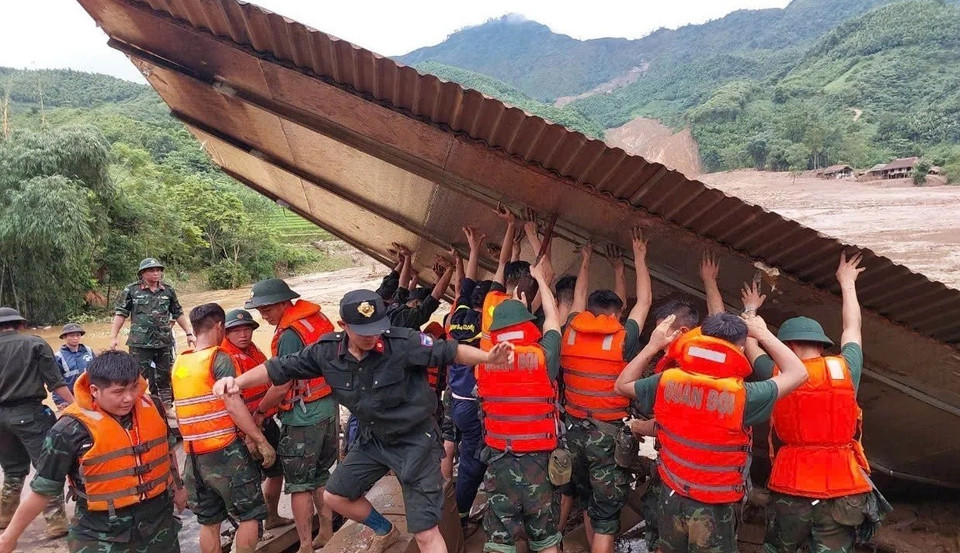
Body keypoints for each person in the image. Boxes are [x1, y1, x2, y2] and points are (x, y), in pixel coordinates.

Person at [212, 289, 514, 553]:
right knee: (335, 495)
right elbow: (278, 369)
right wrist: (237, 383)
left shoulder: (402, 342)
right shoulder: (326, 351)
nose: (372, 336)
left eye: (377, 328)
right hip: (375, 439)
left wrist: (488, 358)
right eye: (363, 330)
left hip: (414, 441)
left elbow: (451, 351)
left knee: (425, 532)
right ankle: (384, 529)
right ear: (344, 326)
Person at [615, 312, 808, 553]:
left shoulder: (667, 380)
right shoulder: (745, 396)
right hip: (714, 506)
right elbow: (799, 373)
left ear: (702, 338)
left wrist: (653, 346)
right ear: (739, 347)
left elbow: (621, 385)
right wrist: (762, 333)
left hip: (671, 496)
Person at [751, 253, 881, 553]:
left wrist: (752, 313)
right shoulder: (846, 369)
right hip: (843, 490)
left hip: (792, 488)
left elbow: (751, 346)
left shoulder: (777, 374)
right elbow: (852, 328)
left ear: (789, 346)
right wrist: (847, 283)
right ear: (821, 345)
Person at [0, 350, 186, 553]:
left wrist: (178, 488)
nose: (129, 397)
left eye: (134, 388)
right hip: (102, 535)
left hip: (158, 525)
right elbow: (43, 490)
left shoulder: (153, 407)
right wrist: (9, 536)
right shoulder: (69, 429)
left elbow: (166, 451)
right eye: (118, 391)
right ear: (95, 390)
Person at [560, 228, 651, 553]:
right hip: (607, 439)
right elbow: (645, 301)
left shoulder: (570, 331)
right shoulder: (623, 339)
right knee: (607, 518)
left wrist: (585, 260)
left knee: (587, 503)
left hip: (573, 435)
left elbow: (580, 296)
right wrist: (639, 255)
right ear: (615, 315)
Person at [243, 278, 338, 552]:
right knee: (320, 474)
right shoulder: (314, 319)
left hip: (303, 415)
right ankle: (327, 532)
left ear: (285, 302)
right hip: (328, 407)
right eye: (259, 309)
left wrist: (260, 412)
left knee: (298, 484)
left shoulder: (289, 335)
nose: (263, 314)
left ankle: (306, 545)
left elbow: (281, 384)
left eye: (268, 308)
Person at [172, 303, 275, 553]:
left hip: (193, 458)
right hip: (225, 453)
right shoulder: (219, 358)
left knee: (209, 522)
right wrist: (259, 439)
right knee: (249, 515)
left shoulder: (180, 364)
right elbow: (233, 404)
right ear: (220, 326)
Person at [477, 259, 564, 553]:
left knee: (499, 539)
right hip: (539, 461)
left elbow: (489, 338)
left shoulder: (484, 363)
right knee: (545, 537)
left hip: (500, 459)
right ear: (527, 324)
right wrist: (540, 280)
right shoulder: (544, 356)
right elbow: (553, 320)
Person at [0, 307, 72, 539]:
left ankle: (4, 516)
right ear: (21, 325)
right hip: (29, 414)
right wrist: (77, 406)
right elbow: (55, 383)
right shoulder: (35, 344)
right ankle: (56, 522)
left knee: (12, 469)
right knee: (47, 468)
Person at [219, 308, 293, 532]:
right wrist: (251, 436)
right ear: (226, 333)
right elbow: (232, 402)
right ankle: (252, 530)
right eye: (237, 331)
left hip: (264, 419)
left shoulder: (252, 350)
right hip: (245, 427)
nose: (244, 335)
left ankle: (271, 516)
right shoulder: (225, 359)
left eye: (247, 329)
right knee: (247, 479)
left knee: (276, 469)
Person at [445, 226, 490, 529]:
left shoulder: (454, 320)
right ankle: (459, 517)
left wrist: (472, 251)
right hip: (474, 406)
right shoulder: (486, 327)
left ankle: (448, 500)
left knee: (453, 448)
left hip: (454, 399)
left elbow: (465, 285)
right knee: (474, 461)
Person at [110, 258, 196, 408]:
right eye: (151, 270)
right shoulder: (132, 290)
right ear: (142, 273)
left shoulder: (168, 290)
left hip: (164, 342)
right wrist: (113, 337)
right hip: (140, 343)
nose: (156, 273)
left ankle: (166, 408)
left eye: (158, 270)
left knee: (165, 377)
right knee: (137, 378)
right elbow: (121, 313)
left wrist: (189, 333)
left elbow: (178, 313)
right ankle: (136, 407)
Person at [388, 253, 454, 330]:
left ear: (415, 302)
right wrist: (407, 257)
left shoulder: (411, 315)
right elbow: (434, 296)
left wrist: (448, 270)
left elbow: (435, 296)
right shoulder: (394, 310)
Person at [52, 323, 95, 409]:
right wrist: (60, 401)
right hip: (70, 398)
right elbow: (56, 381)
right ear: (64, 337)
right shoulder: (58, 356)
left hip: (89, 394)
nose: (75, 338)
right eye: (72, 336)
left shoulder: (89, 351)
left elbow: (97, 372)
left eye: (78, 335)